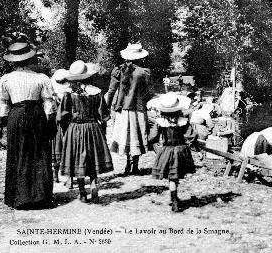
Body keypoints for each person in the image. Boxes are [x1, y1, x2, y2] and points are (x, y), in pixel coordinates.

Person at [0, 38, 56, 209]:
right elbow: (49, 104)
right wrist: (49, 123)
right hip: (37, 116)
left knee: (18, 153)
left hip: (16, 117)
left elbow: (3, 103)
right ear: (30, 59)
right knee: (38, 153)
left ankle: (19, 197)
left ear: (13, 61)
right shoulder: (41, 78)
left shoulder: (7, 79)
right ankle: (39, 196)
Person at [58, 60, 113, 203]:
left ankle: (82, 192)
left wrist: (66, 128)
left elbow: (62, 116)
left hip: (75, 128)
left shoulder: (68, 94)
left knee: (77, 158)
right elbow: (104, 115)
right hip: (92, 127)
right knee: (92, 156)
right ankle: (94, 185)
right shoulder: (96, 92)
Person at [105, 43, 153, 175]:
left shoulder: (118, 71)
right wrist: (143, 101)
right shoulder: (144, 72)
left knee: (125, 136)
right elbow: (150, 93)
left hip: (122, 109)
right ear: (140, 58)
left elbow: (111, 91)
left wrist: (107, 107)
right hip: (138, 108)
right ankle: (135, 166)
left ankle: (127, 164)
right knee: (137, 135)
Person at [148, 93, 196, 212]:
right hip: (180, 149)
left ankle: (174, 200)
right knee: (176, 175)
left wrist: (154, 144)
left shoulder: (160, 122)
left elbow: (153, 137)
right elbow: (191, 136)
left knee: (171, 177)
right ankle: (175, 199)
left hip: (167, 149)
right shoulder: (183, 121)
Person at [50, 69, 71, 183]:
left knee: (57, 147)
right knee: (68, 147)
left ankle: (55, 174)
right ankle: (68, 177)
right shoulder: (70, 93)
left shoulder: (52, 93)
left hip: (57, 123)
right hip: (67, 123)